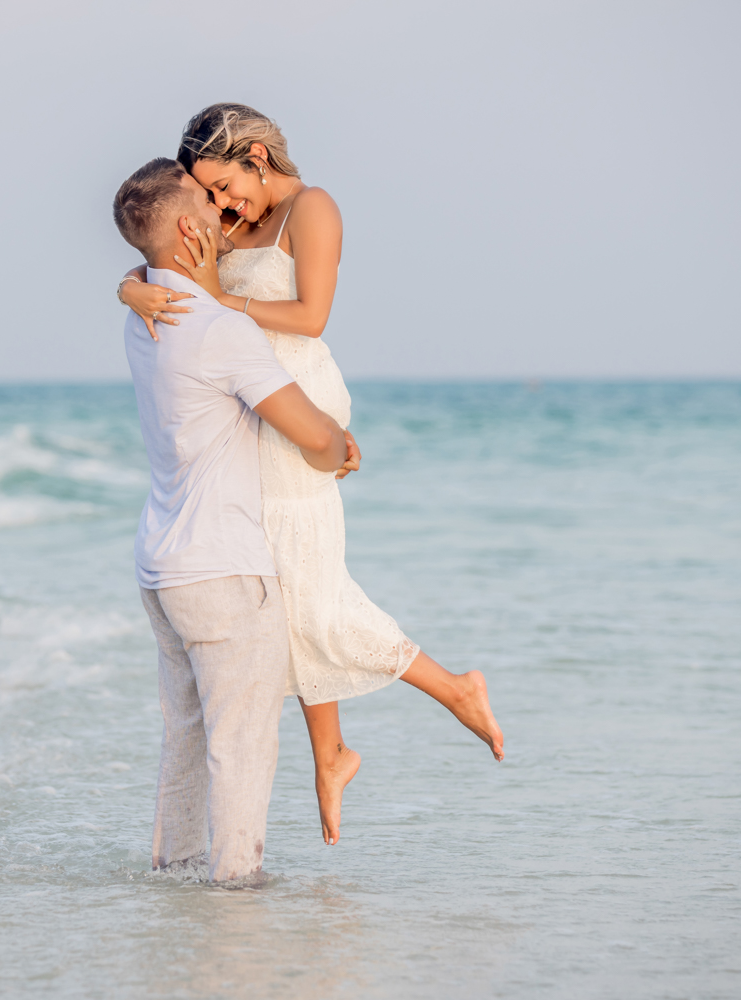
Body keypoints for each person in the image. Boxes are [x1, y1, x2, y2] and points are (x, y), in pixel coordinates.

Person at [118, 104, 504, 848]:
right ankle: (331, 754)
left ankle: (453, 689)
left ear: (259, 156)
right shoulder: (225, 222)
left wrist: (217, 303)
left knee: (312, 599)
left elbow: (312, 315)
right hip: (248, 406)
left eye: (226, 185)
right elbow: (162, 243)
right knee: (287, 597)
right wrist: (129, 286)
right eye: (210, 194)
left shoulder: (311, 208)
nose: (223, 205)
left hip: (295, 398)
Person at [113, 157, 358, 884]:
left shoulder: (142, 315)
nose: (226, 214)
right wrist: (338, 446)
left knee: (186, 739)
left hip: (160, 568)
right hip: (223, 571)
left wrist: (130, 282)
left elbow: (141, 280)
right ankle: (235, 901)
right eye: (209, 205)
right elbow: (312, 436)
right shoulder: (219, 330)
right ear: (190, 227)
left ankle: (173, 880)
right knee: (242, 749)